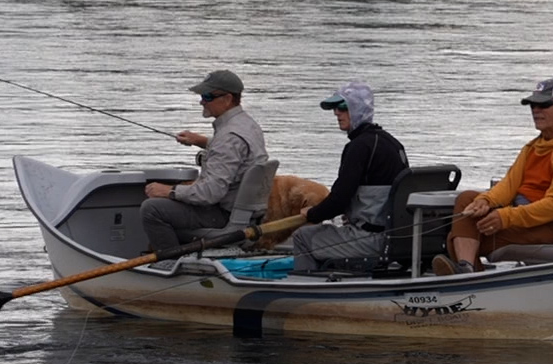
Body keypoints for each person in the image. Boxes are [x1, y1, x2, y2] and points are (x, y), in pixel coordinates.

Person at [437, 76, 553, 274]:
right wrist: (486, 201)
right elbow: (509, 185)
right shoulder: (533, 147)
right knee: (467, 199)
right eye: (532, 106)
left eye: (544, 105)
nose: (536, 111)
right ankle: (467, 272)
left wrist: (505, 217)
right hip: (525, 218)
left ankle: (467, 277)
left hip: (549, 227)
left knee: (458, 237)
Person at [140, 69, 268, 252]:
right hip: (245, 214)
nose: (202, 101)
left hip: (223, 215)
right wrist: (202, 141)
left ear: (227, 99)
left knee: (152, 209)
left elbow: (210, 193)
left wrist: (170, 190)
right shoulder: (248, 125)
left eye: (207, 96)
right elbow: (236, 153)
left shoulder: (228, 137)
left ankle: (171, 264)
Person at [288, 82, 411, 272]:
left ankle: (306, 288)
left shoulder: (358, 147)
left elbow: (339, 200)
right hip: (396, 236)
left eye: (343, 107)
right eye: (335, 109)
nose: (337, 113)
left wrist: (312, 214)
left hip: (372, 240)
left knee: (303, 237)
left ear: (359, 109)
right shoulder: (393, 143)